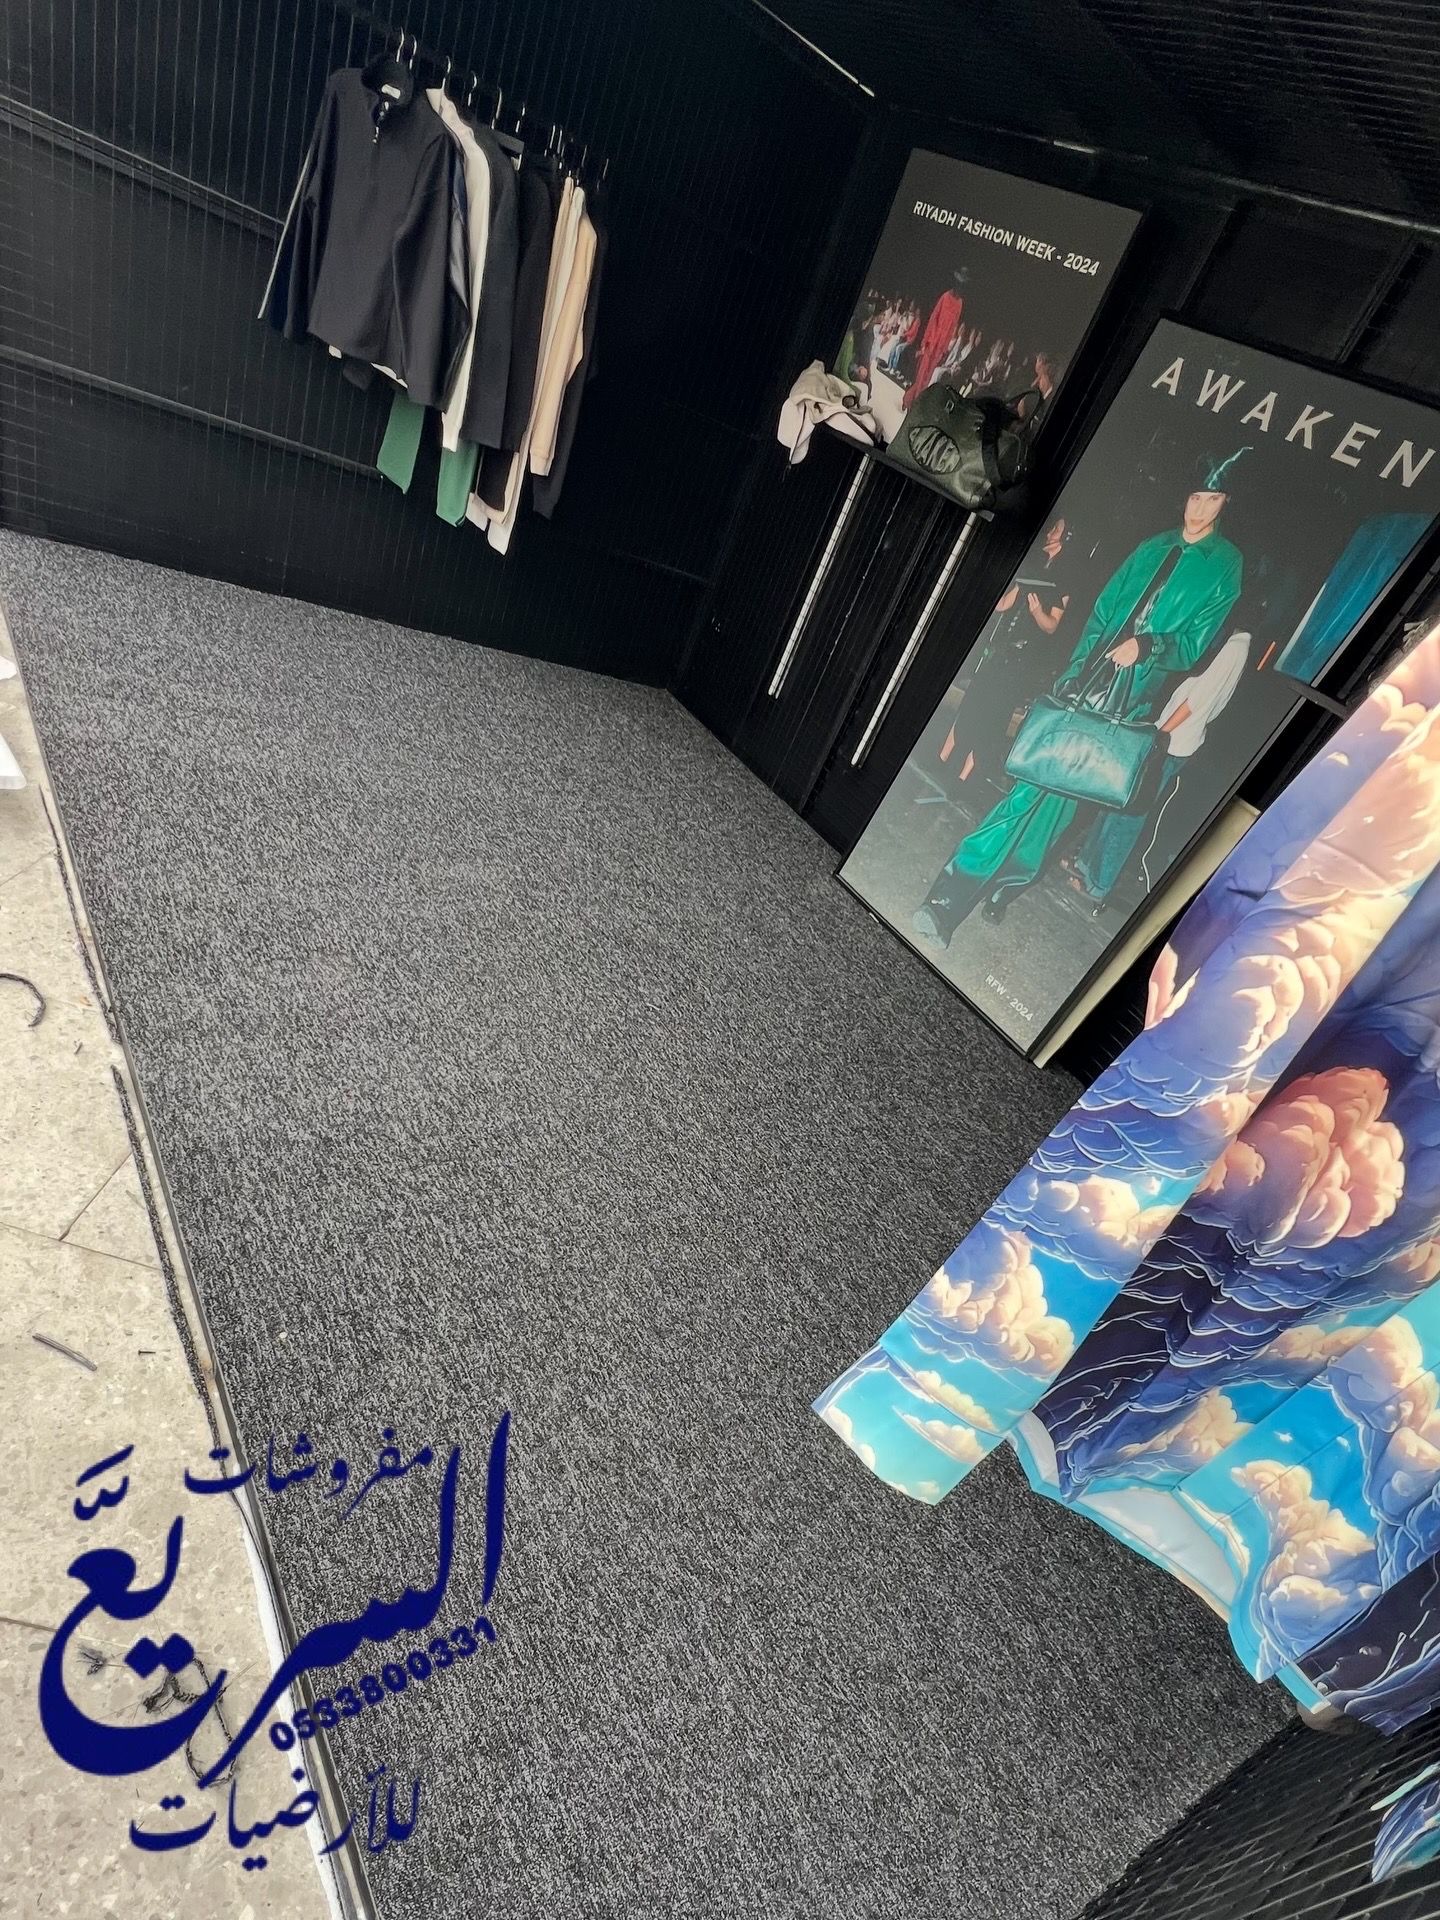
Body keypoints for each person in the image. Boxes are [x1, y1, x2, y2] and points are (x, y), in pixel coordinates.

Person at [913, 450, 1248, 944]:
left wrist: (1149, 646)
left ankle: (1009, 886)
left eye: (1211, 500)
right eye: (1195, 497)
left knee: (1060, 813)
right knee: (1025, 794)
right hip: (1083, 688)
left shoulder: (1225, 565)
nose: (1199, 510)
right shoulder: (1151, 547)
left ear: (1224, 503)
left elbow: (1196, 644)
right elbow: (1100, 615)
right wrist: (1072, 676)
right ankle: (946, 900)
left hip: (1129, 705)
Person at [940, 516, 1073, 788]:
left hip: (1022, 661)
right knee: (973, 702)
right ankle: (941, 759)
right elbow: (1003, 604)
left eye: (1056, 529)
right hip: (1001, 651)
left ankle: (964, 778)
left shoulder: (1065, 580)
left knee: (993, 716)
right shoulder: (1032, 567)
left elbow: (1051, 626)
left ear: (1066, 538)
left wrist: (1037, 612)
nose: (1049, 532)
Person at [903, 271, 966, 408]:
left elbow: (953, 327)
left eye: (962, 284)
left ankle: (909, 399)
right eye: (959, 283)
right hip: (932, 341)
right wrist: (925, 340)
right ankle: (914, 404)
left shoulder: (960, 303)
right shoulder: (946, 296)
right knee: (921, 374)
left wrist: (944, 348)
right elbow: (934, 317)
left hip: (940, 347)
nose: (960, 287)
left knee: (927, 377)